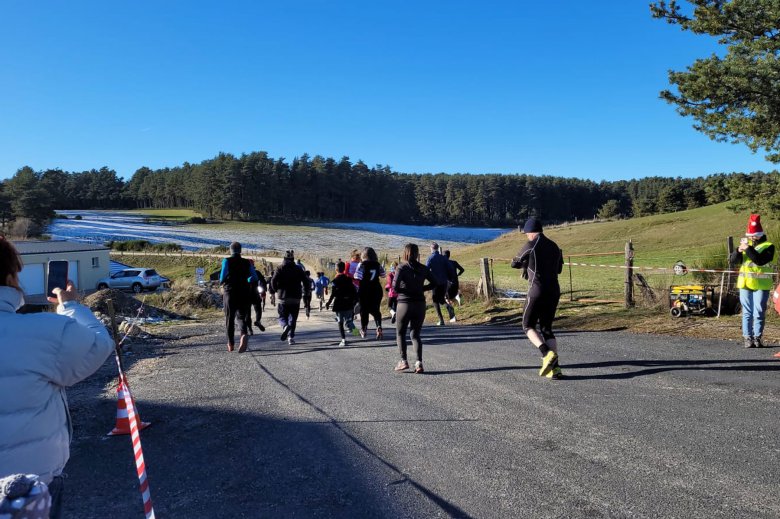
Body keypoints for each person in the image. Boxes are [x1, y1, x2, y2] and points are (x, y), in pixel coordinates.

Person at [0, 237, 115, 518]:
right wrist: (70, 305)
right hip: (29, 484)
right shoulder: (45, 330)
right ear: (9, 276)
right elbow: (98, 345)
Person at [511, 217, 564, 380]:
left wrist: (525, 265)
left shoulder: (530, 245)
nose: (526, 236)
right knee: (547, 328)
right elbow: (560, 269)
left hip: (537, 290)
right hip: (554, 290)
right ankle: (555, 369)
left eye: (526, 233)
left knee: (528, 325)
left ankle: (546, 354)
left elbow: (514, 262)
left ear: (530, 232)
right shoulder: (555, 246)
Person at [729, 214, 775, 348]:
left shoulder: (769, 246)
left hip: (761, 284)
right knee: (747, 312)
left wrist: (748, 249)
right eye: (749, 236)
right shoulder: (745, 245)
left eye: (753, 236)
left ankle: (757, 337)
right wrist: (738, 251)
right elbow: (733, 261)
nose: (750, 238)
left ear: (759, 235)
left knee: (759, 311)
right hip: (745, 284)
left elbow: (759, 260)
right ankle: (747, 337)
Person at [393, 243, 438, 373]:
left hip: (404, 303)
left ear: (405, 253)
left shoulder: (401, 267)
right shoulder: (424, 268)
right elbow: (435, 283)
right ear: (417, 253)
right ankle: (419, 363)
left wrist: (406, 290)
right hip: (419, 304)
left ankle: (403, 361)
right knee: (415, 334)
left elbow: (395, 288)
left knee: (400, 333)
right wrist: (421, 288)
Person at [219, 242, 258, 353]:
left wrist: (222, 282)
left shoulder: (226, 261)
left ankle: (230, 343)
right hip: (244, 292)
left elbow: (222, 277)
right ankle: (243, 334)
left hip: (230, 292)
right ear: (240, 250)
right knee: (241, 317)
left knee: (229, 318)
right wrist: (246, 280)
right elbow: (254, 277)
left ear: (230, 250)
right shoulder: (247, 262)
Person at [270, 250, 311, 345]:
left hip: (283, 297)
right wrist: (306, 291)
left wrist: (276, 290)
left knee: (282, 316)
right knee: (293, 317)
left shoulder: (279, 268)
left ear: (284, 258)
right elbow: (306, 281)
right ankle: (291, 337)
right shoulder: (298, 268)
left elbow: (273, 281)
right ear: (293, 259)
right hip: (296, 297)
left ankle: (285, 326)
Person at [355, 247, 386, 339]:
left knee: (364, 310)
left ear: (363, 255)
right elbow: (383, 275)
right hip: (376, 289)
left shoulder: (362, 264)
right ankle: (379, 327)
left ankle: (364, 329)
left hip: (364, 290)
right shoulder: (378, 264)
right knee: (376, 310)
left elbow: (358, 276)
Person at [326, 261, 360, 346]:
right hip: (348, 303)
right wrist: (356, 301)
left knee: (340, 322)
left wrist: (328, 303)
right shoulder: (349, 279)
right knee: (349, 321)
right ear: (344, 269)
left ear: (336, 269)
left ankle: (343, 340)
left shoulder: (335, 281)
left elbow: (333, 294)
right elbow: (354, 291)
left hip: (339, 303)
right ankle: (356, 333)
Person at [426, 242, 456, 324]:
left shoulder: (430, 258)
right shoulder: (443, 258)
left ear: (431, 248)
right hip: (444, 282)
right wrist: (450, 278)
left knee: (435, 301)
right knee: (441, 299)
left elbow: (426, 270)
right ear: (438, 248)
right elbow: (450, 269)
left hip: (435, 282)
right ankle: (449, 307)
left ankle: (441, 320)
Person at [247, 259, 266, 334]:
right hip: (255, 293)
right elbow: (263, 282)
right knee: (258, 309)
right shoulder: (257, 272)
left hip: (246, 295)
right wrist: (263, 291)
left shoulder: (243, 273)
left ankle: (250, 329)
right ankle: (258, 320)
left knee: (247, 313)